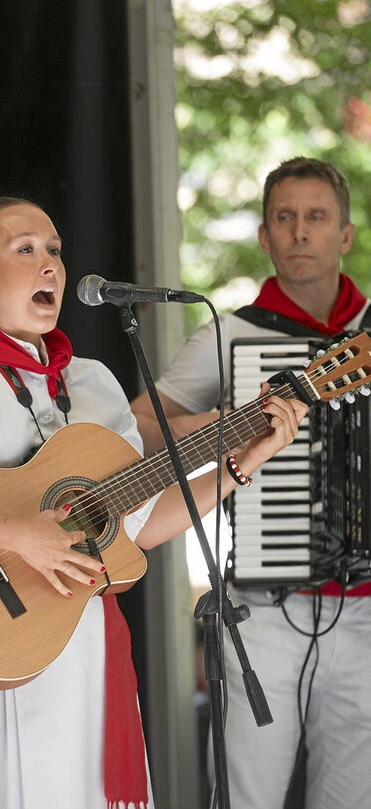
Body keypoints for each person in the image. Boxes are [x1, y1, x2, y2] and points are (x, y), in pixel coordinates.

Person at [0, 196, 304, 809]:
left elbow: (139, 528)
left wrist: (240, 464)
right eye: (25, 249)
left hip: (82, 644)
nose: (50, 265)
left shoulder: (94, 382)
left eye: (55, 251)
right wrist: (21, 536)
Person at [131, 156, 371, 809]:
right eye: (284, 218)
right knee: (246, 796)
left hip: (366, 611)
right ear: (265, 236)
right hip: (263, 609)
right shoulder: (232, 333)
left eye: (316, 217)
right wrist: (222, 424)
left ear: (344, 234)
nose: (299, 232)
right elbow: (140, 427)